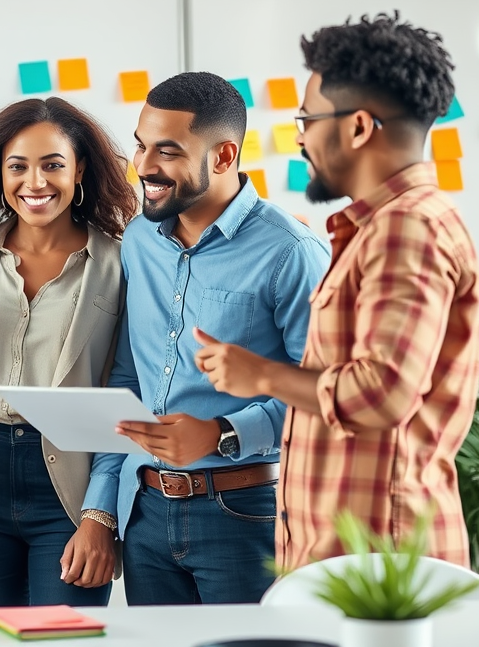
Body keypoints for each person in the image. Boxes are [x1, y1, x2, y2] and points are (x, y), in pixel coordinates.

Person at [192, 13, 479, 570]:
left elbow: (383, 392)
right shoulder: (379, 227)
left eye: (308, 118)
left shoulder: (408, 227)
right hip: (343, 558)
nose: (300, 135)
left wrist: (260, 375)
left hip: (380, 564)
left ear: (356, 127)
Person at [96, 71, 330, 605]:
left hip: (245, 514)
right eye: (140, 145)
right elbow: (129, 377)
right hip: (146, 512)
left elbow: (327, 395)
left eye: (168, 151)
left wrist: (223, 433)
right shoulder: (138, 241)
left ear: (224, 157)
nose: (145, 167)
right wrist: (100, 506)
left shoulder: (291, 252)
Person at [0, 97, 139, 607]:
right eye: (17, 166)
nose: (34, 183)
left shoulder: (119, 261)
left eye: (53, 165)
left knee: (62, 642)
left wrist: (101, 514)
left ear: (80, 168)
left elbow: (128, 387)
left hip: (71, 479)